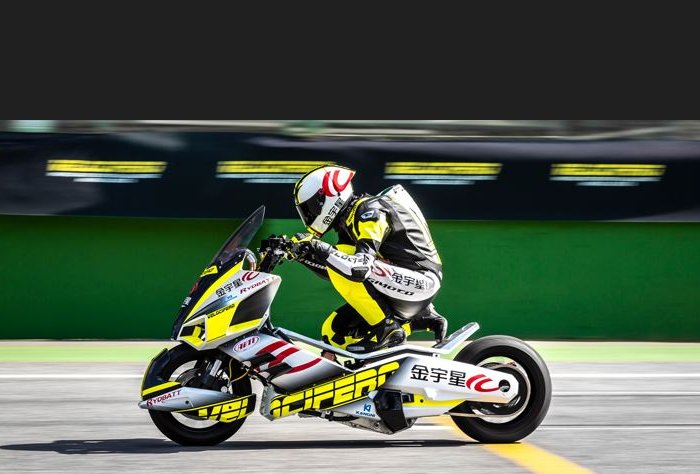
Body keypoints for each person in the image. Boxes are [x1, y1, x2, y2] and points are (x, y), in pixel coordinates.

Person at [283, 164, 448, 354]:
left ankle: (388, 328)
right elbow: (336, 270)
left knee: (344, 260)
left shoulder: (370, 210)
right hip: (404, 284)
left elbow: (358, 269)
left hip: (422, 282)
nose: (309, 215)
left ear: (327, 195)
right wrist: (302, 256)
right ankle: (416, 320)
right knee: (333, 332)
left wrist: (318, 247)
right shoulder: (348, 224)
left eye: (311, 207)